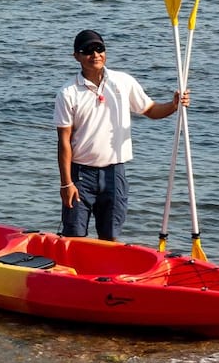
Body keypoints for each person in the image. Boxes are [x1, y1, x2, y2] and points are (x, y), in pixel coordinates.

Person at [54, 29, 186, 241]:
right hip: (80, 175)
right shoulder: (68, 92)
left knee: (111, 237)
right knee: (74, 237)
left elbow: (151, 110)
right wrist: (66, 184)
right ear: (76, 56)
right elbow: (64, 142)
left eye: (99, 49)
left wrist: (174, 105)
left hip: (114, 173)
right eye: (88, 50)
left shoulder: (122, 81)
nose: (95, 55)